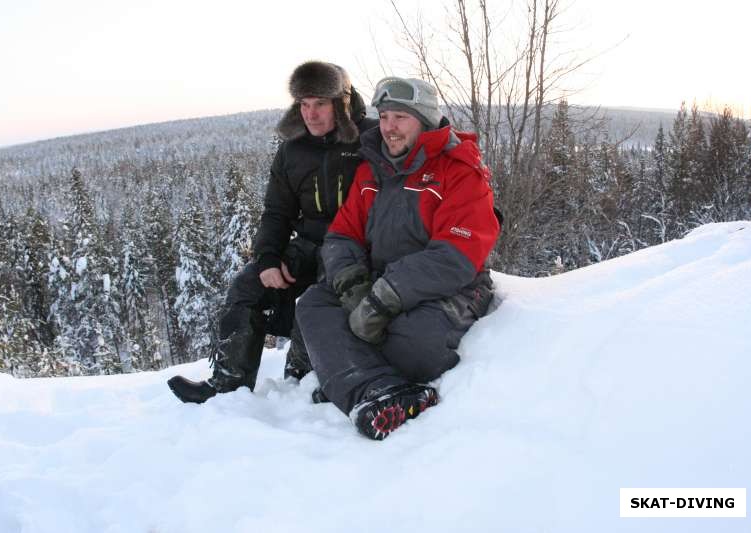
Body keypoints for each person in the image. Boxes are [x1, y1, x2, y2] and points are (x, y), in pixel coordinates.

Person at [296, 76, 501, 440]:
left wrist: (384, 298)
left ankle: (344, 376)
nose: (389, 127)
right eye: (385, 116)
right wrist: (354, 287)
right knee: (313, 304)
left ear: (424, 121)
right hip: (379, 281)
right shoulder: (371, 170)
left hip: (451, 287)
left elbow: (455, 256)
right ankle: (375, 391)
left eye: (400, 118)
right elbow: (342, 235)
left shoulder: (457, 171)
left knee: (416, 343)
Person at [167, 61, 377, 404]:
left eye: (320, 103)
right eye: (304, 104)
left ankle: (308, 377)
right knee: (247, 286)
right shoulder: (293, 149)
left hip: (355, 247)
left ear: (341, 102)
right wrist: (267, 259)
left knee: (321, 298)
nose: (310, 114)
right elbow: (277, 212)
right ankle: (227, 385)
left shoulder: (371, 137)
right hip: (308, 246)